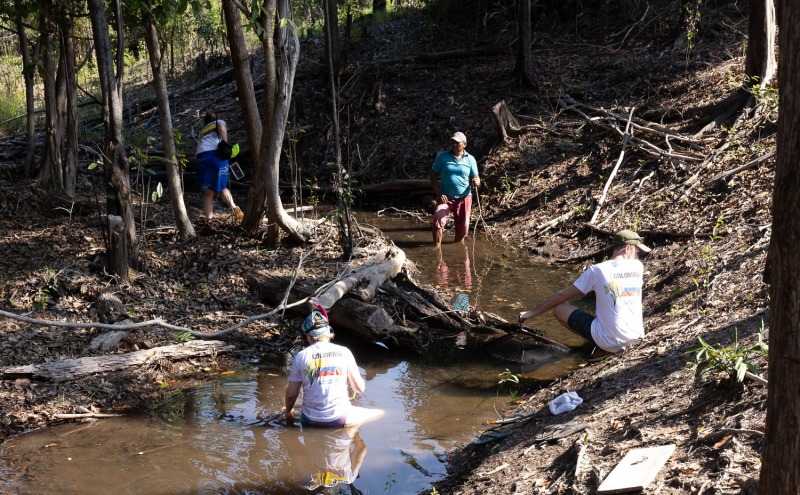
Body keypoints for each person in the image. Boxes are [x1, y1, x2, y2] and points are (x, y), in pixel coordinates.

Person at [517, 230, 651, 360]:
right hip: (636, 338)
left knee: (559, 308)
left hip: (610, 342)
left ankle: (603, 346)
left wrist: (531, 313)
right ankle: (604, 343)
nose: (637, 256)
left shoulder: (598, 270)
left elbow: (561, 296)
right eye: (637, 251)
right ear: (627, 249)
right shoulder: (638, 267)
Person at [284, 310, 384, 428]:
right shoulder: (344, 352)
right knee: (380, 413)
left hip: (308, 419)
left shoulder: (301, 356)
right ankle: (352, 433)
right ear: (328, 332)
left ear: (309, 336)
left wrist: (288, 412)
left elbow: (291, 395)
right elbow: (359, 388)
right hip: (339, 419)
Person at [430, 131, 480, 245]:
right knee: (438, 218)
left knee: (462, 227)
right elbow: (432, 175)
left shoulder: (470, 159)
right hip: (445, 197)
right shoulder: (443, 157)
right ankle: (437, 250)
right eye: (452, 142)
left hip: (464, 197)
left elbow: (476, 177)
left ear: (464, 144)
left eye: (457, 142)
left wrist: (476, 181)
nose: (454, 145)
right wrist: (438, 193)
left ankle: (458, 252)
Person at [195, 111, 244, 222]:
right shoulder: (219, 122)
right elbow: (222, 133)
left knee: (208, 190)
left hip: (201, 158)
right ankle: (234, 208)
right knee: (221, 185)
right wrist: (225, 146)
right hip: (216, 156)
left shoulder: (202, 131)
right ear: (216, 118)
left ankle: (208, 220)